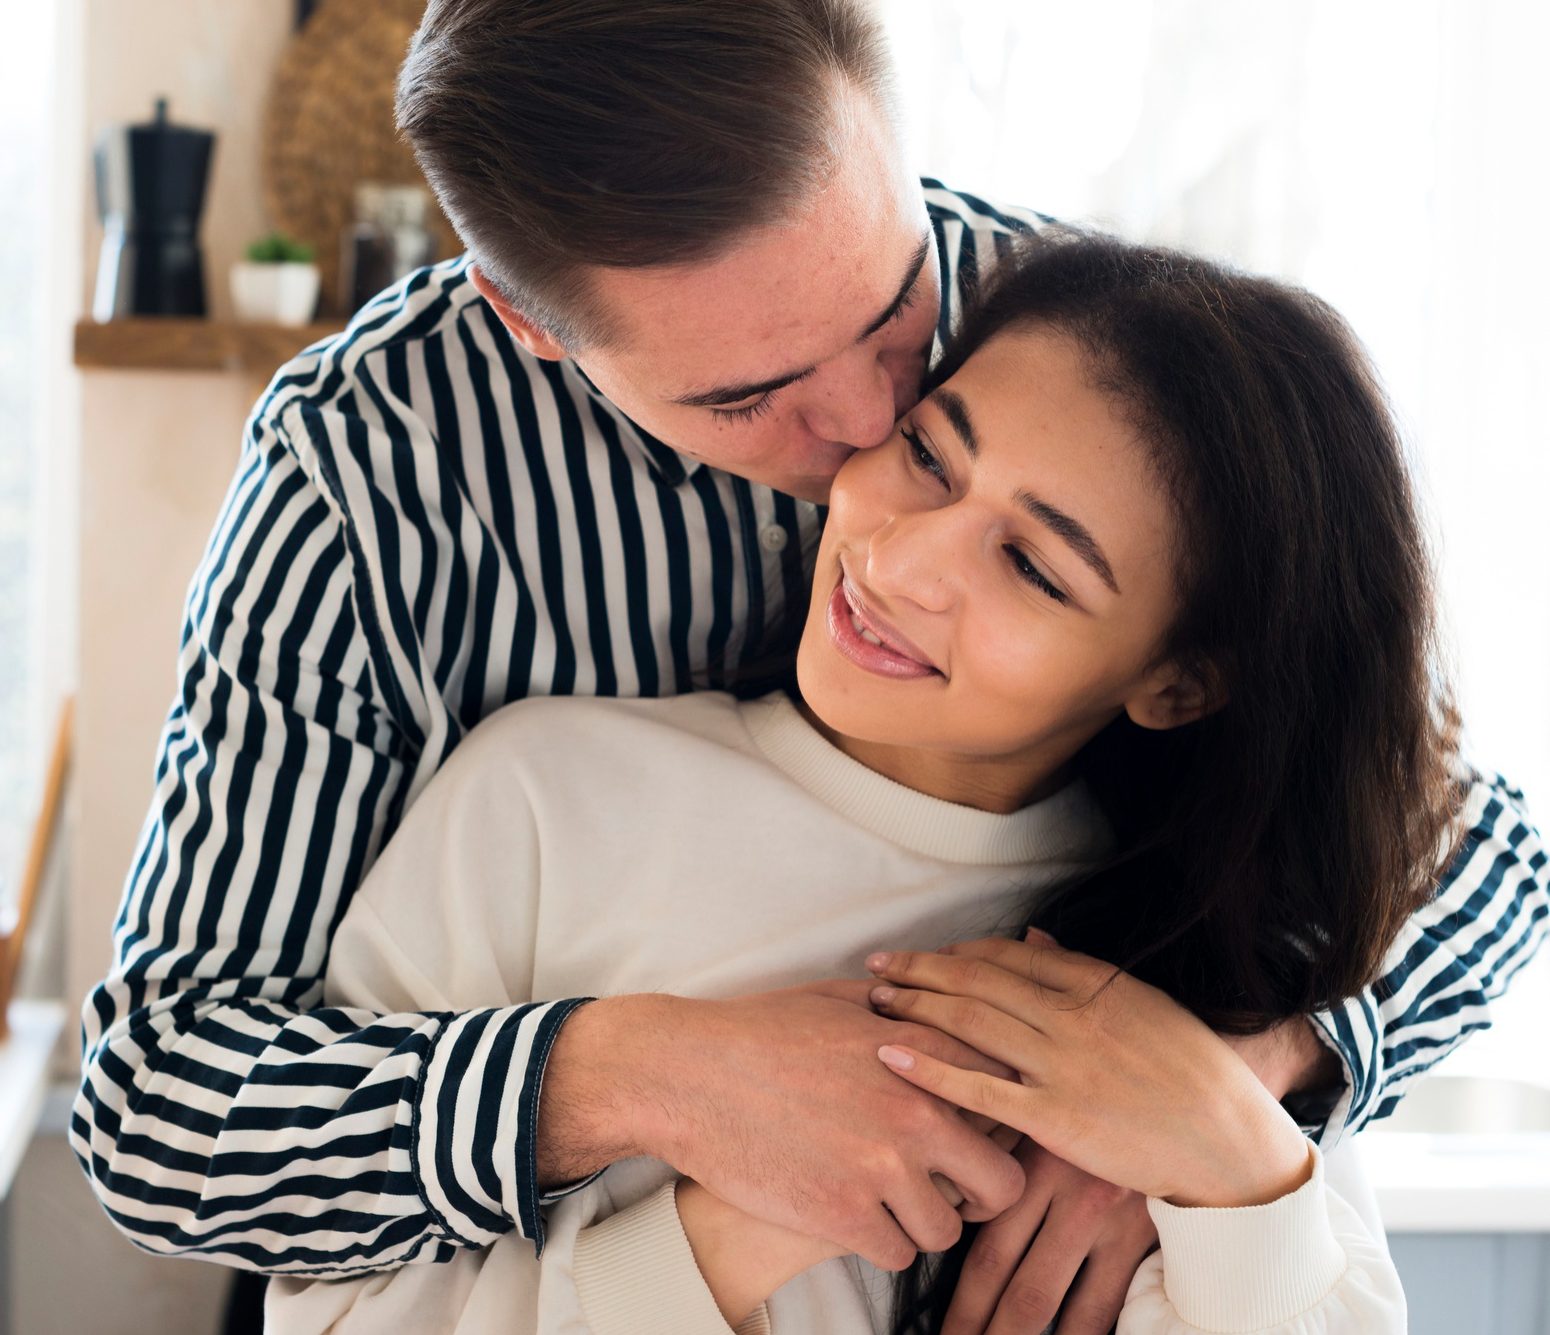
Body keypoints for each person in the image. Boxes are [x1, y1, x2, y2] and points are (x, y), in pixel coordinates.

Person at [72, 3, 1546, 1332]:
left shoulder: (1069, 342)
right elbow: (161, 1114)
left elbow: (1451, 830)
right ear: (530, 323)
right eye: (746, 393)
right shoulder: (375, 483)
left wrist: (1228, 1085)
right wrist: (644, 1079)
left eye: (894, 308)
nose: (864, 429)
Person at [264, 233, 1434, 1334]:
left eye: (1031, 566)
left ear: (1177, 685)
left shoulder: (1204, 986)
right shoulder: (539, 802)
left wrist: (1233, 1162)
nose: (897, 558)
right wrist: (732, 1230)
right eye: (927, 455)